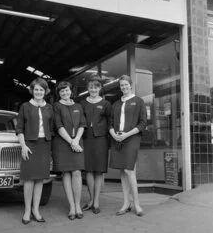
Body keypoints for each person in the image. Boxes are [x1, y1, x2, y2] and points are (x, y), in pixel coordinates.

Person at [16, 77, 54, 224]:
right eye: (36, 89)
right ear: (32, 90)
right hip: (29, 145)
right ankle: (27, 210)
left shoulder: (49, 108)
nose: (39, 92)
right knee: (29, 180)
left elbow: (51, 129)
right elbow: (19, 127)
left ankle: (36, 210)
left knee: (40, 180)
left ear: (45, 91)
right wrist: (23, 146)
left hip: (44, 146)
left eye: (41, 90)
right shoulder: (25, 106)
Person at [109, 75, 147, 217]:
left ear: (131, 85)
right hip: (117, 138)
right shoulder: (115, 104)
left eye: (126, 85)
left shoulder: (139, 101)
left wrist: (126, 135)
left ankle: (136, 203)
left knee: (129, 170)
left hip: (132, 138)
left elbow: (142, 123)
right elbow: (110, 123)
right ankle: (126, 203)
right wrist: (113, 134)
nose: (124, 87)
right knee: (122, 171)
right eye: (121, 85)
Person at [52, 81, 87, 220]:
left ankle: (78, 205)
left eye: (67, 90)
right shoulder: (56, 106)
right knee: (66, 173)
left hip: (77, 141)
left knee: (77, 172)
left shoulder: (78, 106)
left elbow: (82, 124)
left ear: (71, 91)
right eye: (62, 91)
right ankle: (71, 206)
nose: (65, 93)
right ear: (59, 93)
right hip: (62, 142)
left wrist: (76, 140)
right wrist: (71, 142)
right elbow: (58, 125)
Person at [80, 75, 112, 214]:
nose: (93, 89)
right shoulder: (82, 103)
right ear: (88, 88)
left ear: (100, 88)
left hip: (101, 139)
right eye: (91, 87)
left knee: (98, 170)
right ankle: (91, 199)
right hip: (86, 138)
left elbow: (111, 121)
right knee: (88, 170)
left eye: (96, 87)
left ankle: (96, 202)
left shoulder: (106, 104)